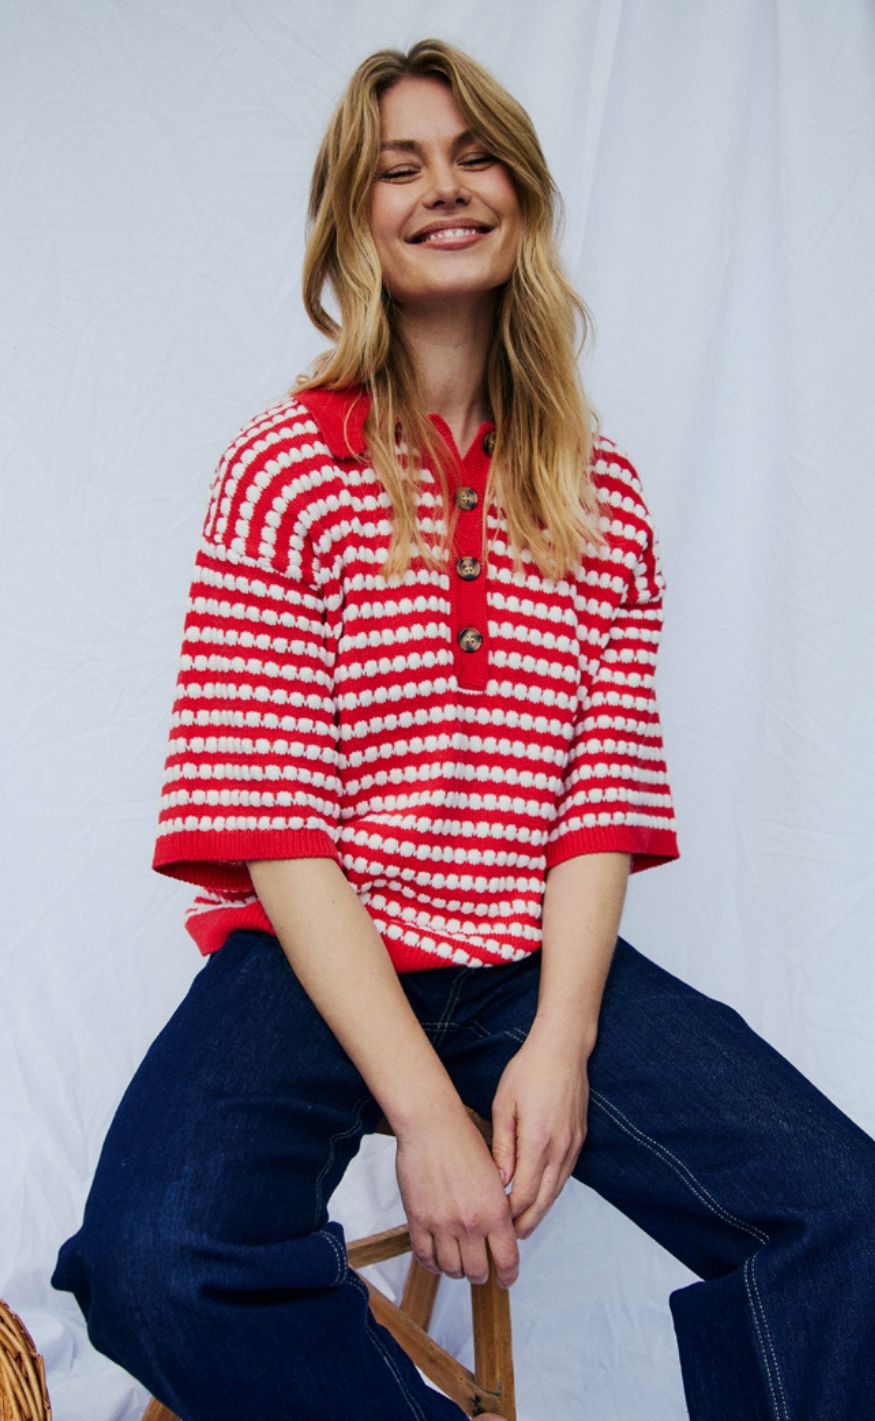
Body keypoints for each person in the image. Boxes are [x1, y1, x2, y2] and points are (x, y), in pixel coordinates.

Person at [52, 37, 875, 1421]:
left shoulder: (597, 491)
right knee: (153, 1260)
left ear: (522, 197)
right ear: (354, 217)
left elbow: (602, 790)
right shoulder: (284, 469)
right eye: (402, 167)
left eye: (475, 155)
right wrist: (429, 1113)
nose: (445, 187)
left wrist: (561, 1040)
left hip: (525, 962)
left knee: (840, 1212)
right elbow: (274, 819)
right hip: (318, 954)